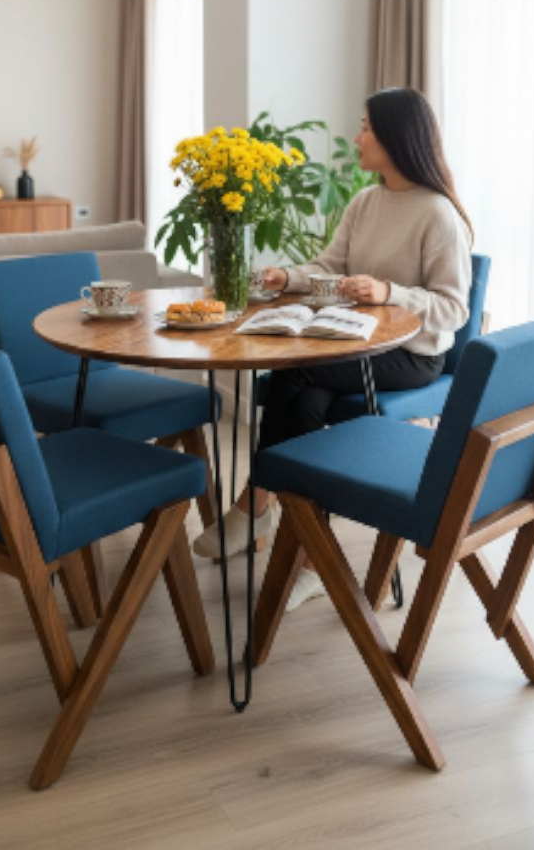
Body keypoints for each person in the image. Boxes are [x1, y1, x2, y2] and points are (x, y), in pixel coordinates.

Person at [193, 87, 473, 610]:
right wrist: (287, 277)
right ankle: (309, 558)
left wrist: (388, 292)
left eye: (366, 127)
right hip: (352, 344)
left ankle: (254, 504)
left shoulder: (439, 215)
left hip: (412, 355)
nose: (357, 137)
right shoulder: (366, 202)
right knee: (304, 398)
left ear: (395, 136)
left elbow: (454, 309)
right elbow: (329, 266)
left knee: (295, 374)